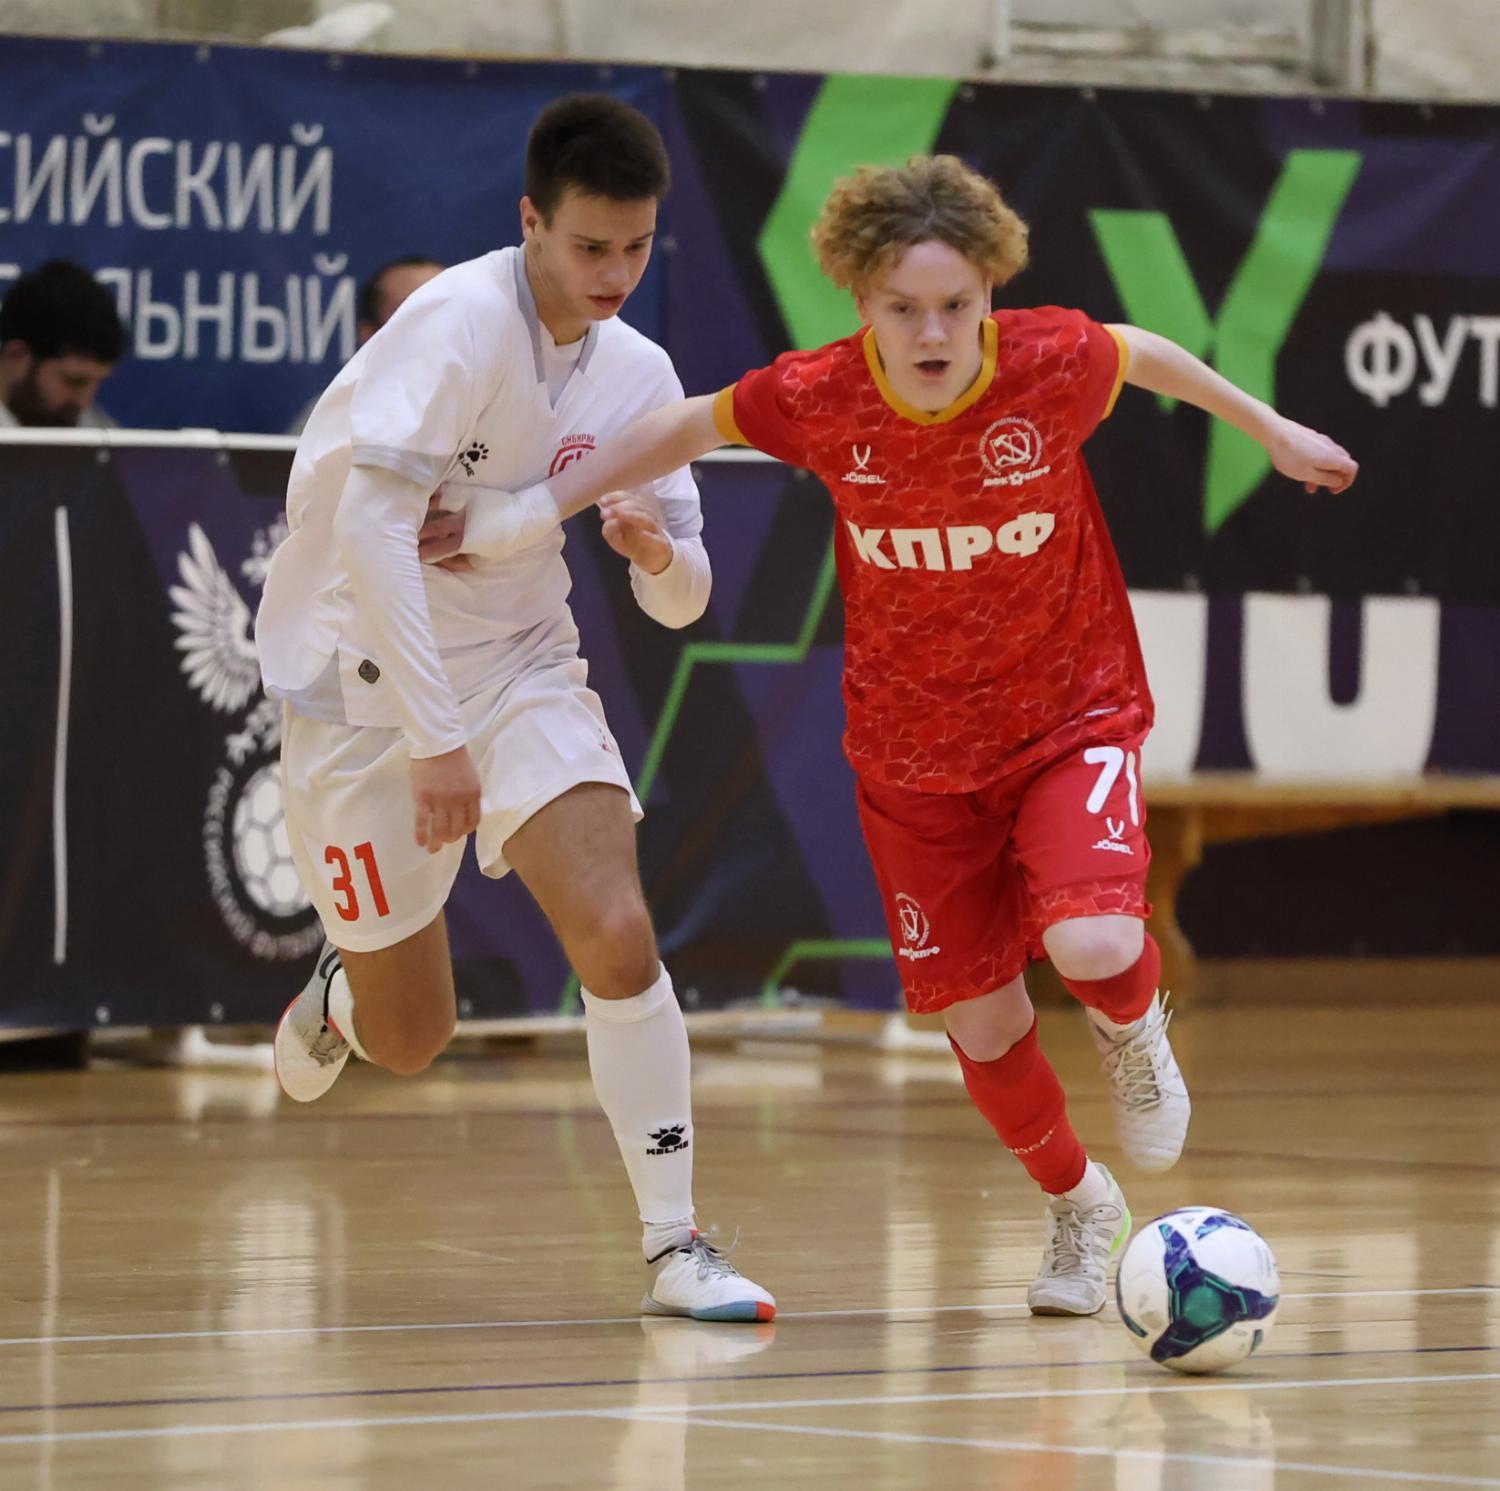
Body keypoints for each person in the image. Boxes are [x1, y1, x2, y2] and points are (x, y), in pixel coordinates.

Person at [420, 154, 1358, 1316]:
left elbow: (1142, 351)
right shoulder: (821, 396)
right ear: (862, 300)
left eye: (957, 304)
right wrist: (524, 512)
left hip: (1068, 716)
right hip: (913, 759)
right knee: (981, 1018)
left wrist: (1271, 430)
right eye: (905, 308)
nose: (934, 332)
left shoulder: (1048, 363)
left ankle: (1132, 1034)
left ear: (990, 293)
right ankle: (1079, 1206)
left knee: (1093, 942)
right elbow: (684, 426)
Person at [255, 95, 774, 1322]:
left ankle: (676, 1244)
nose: (615, 272)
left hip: (524, 665)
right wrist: (436, 741)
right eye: (590, 244)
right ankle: (344, 990)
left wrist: (655, 554)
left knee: (618, 933)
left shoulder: (640, 372)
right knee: (411, 1038)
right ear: (531, 220)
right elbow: (375, 533)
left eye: (637, 247)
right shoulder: (455, 323)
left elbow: (685, 601)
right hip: (364, 687)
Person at [287, 256, 445, 434]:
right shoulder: (333, 419)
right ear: (369, 334)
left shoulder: (472, 409)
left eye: (447, 307)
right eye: (412, 309)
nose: (437, 323)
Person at [0, 260, 126, 429]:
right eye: (74, 381)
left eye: (96, 383)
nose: (84, 402)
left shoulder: (93, 430)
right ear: (17, 356)